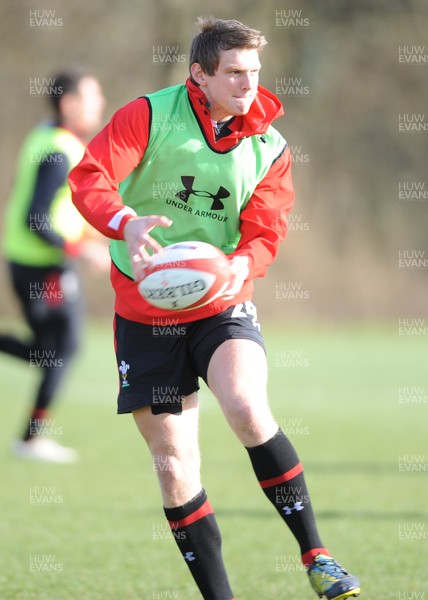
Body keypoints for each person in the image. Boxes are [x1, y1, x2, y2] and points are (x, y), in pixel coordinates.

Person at [69, 18, 360, 599]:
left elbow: (266, 233)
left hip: (221, 302)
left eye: (254, 71)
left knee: (247, 406)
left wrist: (240, 267)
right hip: (144, 314)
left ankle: (317, 555)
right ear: (199, 74)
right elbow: (90, 177)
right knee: (175, 465)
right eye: (233, 72)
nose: (247, 83)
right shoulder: (149, 115)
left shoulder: (270, 147)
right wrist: (125, 223)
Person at [1, 67, 107, 463]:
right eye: (93, 96)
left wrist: (94, 234)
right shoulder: (60, 150)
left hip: (28, 262)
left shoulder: (43, 134)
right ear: (69, 103)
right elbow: (37, 217)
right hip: (44, 267)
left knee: (49, 351)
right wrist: (80, 249)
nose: (101, 103)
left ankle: (31, 437)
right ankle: (31, 440)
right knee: (64, 348)